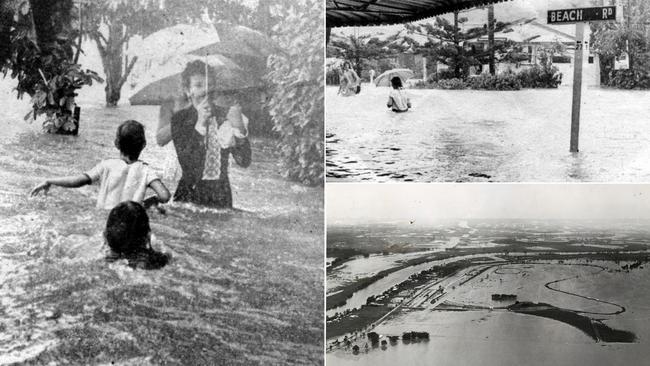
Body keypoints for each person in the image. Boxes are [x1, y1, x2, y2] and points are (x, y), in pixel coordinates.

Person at [30, 120, 170, 210]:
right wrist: (145, 204)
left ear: (116, 144)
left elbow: (79, 180)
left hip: (104, 219)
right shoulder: (146, 170)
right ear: (144, 145)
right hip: (130, 222)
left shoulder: (107, 165)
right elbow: (164, 196)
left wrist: (50, 181)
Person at [169, 60, 251, 208]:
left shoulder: (226, 115)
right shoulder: (179, 119)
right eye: (198, 85)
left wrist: (240, 129)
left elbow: (244, 161)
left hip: (221, 198)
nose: (205, 91)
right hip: (189, 198)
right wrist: (200, 124)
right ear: (188, 90)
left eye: (209, 85)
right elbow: (188, 165)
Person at [104, 201, 170, 270]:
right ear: (147, 235)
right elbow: (168, 256)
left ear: (106, 234)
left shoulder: (103, 260)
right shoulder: (158, 261)